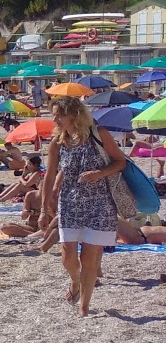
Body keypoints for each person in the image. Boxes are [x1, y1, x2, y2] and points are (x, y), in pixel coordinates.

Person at [39, 95, 128, 315]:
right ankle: (75, 282)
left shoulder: (99, 135)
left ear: (74, 114)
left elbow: (120, 162)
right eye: (55, 116)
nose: (56, 120)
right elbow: (49, 177)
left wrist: (100, 173)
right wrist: (43, 209)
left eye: (59, 115)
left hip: (100, 203)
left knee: (89, 257)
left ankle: (84, 306)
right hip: (69, 203)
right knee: (67, 256)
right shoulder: (58, 143)